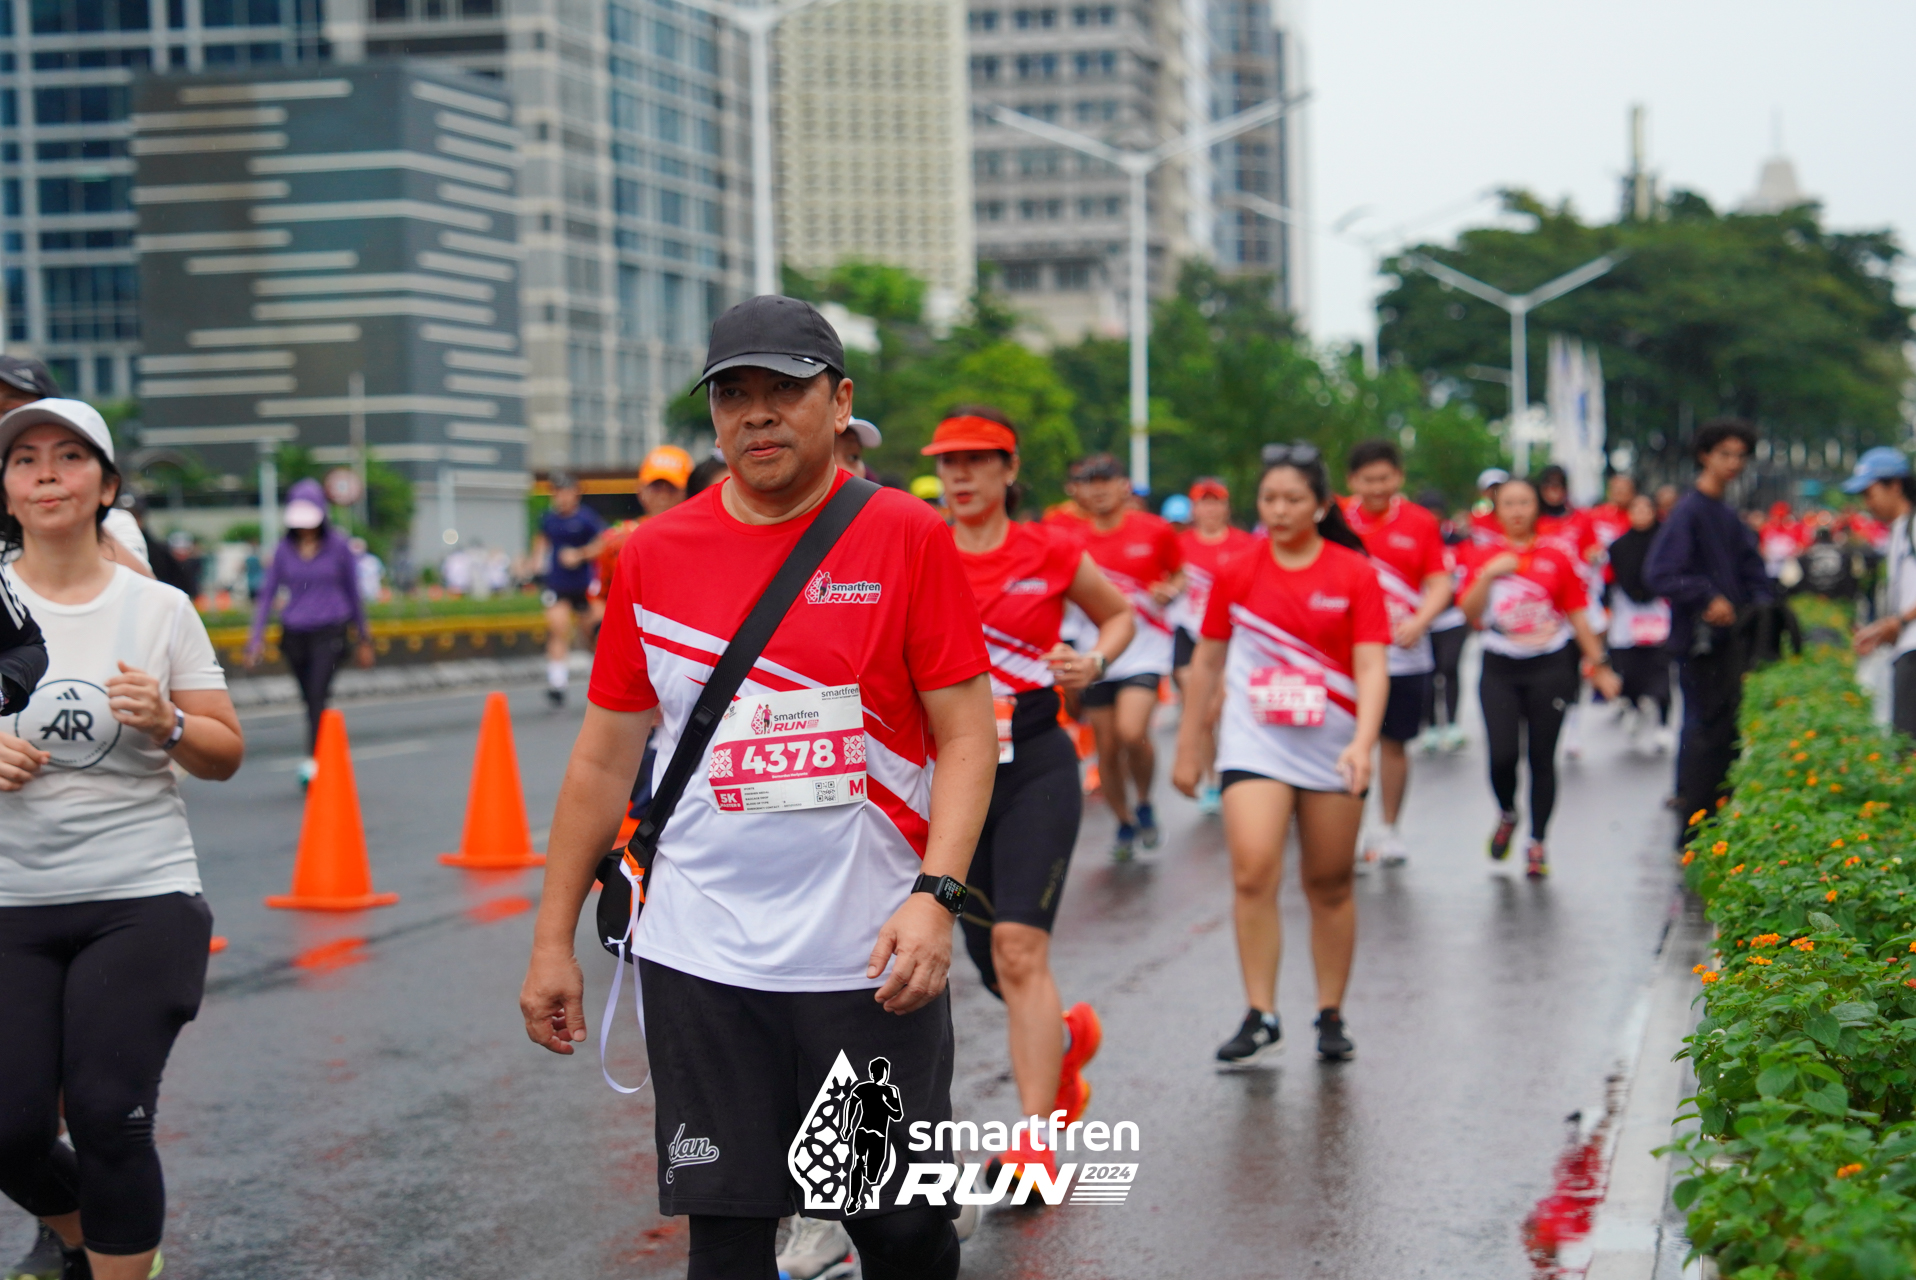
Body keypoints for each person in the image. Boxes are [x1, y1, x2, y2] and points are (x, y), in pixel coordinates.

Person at [517, 295, 996, 1280]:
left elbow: (964, 733)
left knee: (897, 1230)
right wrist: (551, 940)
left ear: (839, 401)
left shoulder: (906, 535)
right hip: (702, 957)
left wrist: (936, 895)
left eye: (785, 388)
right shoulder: (653, 555)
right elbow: (602, 759)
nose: (758, 413)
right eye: (734, 394)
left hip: (866, 960)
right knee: (729, 1237)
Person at [0, 397, 244, 1280]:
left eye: (70, 457)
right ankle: (86, 1240)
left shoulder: (158, 607)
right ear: (6, 490)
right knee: (10, 1129)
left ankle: (117, 1261)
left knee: (109, 1114)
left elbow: (225, 752)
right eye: (24, 459)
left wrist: (170, 721)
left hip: (139, 894)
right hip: (10, 901)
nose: (47, 474)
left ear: (106, 487)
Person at [926, 406, 1134, 1186]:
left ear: (1010, 470)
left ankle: (1035, 1142)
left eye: (977, 460)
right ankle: (1065, 1044)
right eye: (949, 462)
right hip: (948, 776)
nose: (960, 476)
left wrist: (1094, 661)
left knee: (1019, 948)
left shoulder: (1049, 550)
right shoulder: (919, 548)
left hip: (1035, 767)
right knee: (985, 957)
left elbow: (1118, 617)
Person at [1172, 442, 1389, 1065]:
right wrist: (1189, 745)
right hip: (1255, 743)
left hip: (1333, 748)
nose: (1280, 509)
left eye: (1294, 498)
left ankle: (1330, 1012)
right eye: (1269, 498)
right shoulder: (1238, 570)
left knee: (1329, 882)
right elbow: (1207, 661)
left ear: (1320, 505)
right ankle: (1261, 1013)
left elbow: (1372, 666)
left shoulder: (1354, 573)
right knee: (1253, 870)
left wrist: (1363, 743)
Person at [1458, 478, 1620, 878]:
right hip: (1499, 667)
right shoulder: (1484, 554)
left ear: (1536, 508)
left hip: (1549, 667)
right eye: (1508, 503)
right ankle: (1508, 812)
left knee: (1542, 758)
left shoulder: (1557, 556)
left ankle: (1537, 843)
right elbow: (1468, 612)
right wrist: (1488, 575)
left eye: (1524, 502)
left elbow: (1577, 614)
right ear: (1497, 509)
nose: (1517, 511)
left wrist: (1599, 665)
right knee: (1502, 756)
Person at [1644, 419, 1773, 841]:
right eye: (1725, 454)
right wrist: (1705, 597)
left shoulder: (1726, 514)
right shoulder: (1689, 511)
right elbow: (1660, 572)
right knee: (1704, 735)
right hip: (1699, 645)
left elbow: (1753, 572)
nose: (1734, 463)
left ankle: (1709, 824)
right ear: (1705, 456)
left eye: (1740, 456)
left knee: (1720, 734)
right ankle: (1694, 832)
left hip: (1728, 644)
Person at [1066, 453, 1184, 859]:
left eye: (1106, 480)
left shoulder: (1155, 530)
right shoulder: (1070, 541)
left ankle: (1145, 800)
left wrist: (1171, 590)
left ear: (1123, 486)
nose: (1099, 489)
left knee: (1132, 732)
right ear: (1078, 491)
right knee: (1108, 746)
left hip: (1145, 652)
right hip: (1094, 655)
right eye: (1090, 481)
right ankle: (1123, 821)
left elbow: (1180, 573)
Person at [1340, 440, 1453, 866]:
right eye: (1368, 479)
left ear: (1399, 477)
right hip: (1346, 656)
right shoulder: (1334, 519)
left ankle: (1388, 829)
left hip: (1404, 656)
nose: (1377, 487)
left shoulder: (1420, 522)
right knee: (1347, 742)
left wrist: (1420, 621)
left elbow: (1439, 583)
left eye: (1385, 478)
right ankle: (1348, 830)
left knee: (1393, 744)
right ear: (1352, 481)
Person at [245, 477, 371, 785]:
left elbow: (354, 593)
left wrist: (364, 637)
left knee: (317, 694)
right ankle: (322, 752)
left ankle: (314, 759)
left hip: (330, 630)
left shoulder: (339, 547)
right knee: (309, 699)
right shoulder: (283, 550)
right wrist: (255, 640)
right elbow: (267, 596)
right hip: (294, 633)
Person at [1171, 478, 1261, 813]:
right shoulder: (1178, 545)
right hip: (1189, 634)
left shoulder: (1244, 544)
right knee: (1202, 713)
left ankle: (1237, 771)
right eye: (1203, 502)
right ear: (1193, 509)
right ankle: (1212, 781)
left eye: (1216, 502)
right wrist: (1166, 589)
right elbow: (1160, 578)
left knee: (1218, 709)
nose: (1209, 509)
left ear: (1226, 506)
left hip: (1230, 637)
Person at [1846, 448, 1916, 738]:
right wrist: (1879, 631)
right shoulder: (1899, 530)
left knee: (1907, 749)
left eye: (1870, 493)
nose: (1867, 503)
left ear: (1895, 485)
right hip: (1906, 649)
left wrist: (1899, 622)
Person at [592, 446, 693, 629]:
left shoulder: (701, 540)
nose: (663, 496)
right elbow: (598, 598)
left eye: (671, 488)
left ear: (689, 492)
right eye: (656, 487)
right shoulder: (618, 541)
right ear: (640, 491)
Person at [529, 472, 607, 707]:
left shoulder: (586, 518)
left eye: (565, 492)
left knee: (592, 634)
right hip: (558, 585)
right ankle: (557, 683)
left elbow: (604, 543)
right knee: (558, 628)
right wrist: (534, 563)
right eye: (557, 492)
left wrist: (579, 555)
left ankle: (603, 679)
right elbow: (541, 542)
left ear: (575, 494)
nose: (561, 497)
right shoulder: (549, 519)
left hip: (584, 586)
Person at [1605, 493, 1675, 752]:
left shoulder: (1666, 543)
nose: (1642, 514)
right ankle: (1633, 706)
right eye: (1637, 509)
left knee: (1661, 670)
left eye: (1647, 509)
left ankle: (1663, 723)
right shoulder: (1618, 546)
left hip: (1660, 612)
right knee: (1630, 670)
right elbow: (1609, 579)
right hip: (1628, 615)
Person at [1417, 490, 1470, 754]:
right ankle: (1429, 726)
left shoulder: (1457, 541)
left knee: (1449, 668)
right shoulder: (1412, 541)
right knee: (1428, 673)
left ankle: (1452, 724)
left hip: (1452, 618)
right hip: (1422, 620)